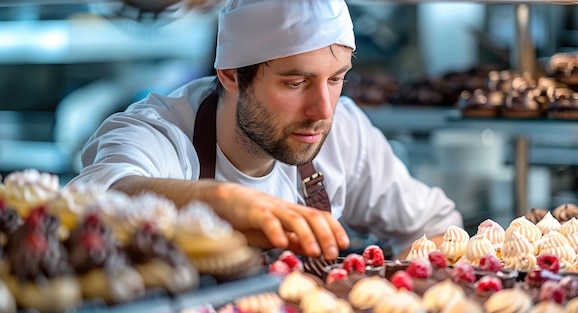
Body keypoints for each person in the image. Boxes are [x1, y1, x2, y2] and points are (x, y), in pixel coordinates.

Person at [70, 0, 463, 260]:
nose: (322, 111)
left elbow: (435, 227)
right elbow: (90, 200)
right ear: (230, 75)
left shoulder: (345, 133)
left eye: (335, 79)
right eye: (295, 83)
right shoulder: (157, 133)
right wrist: (219, 201)